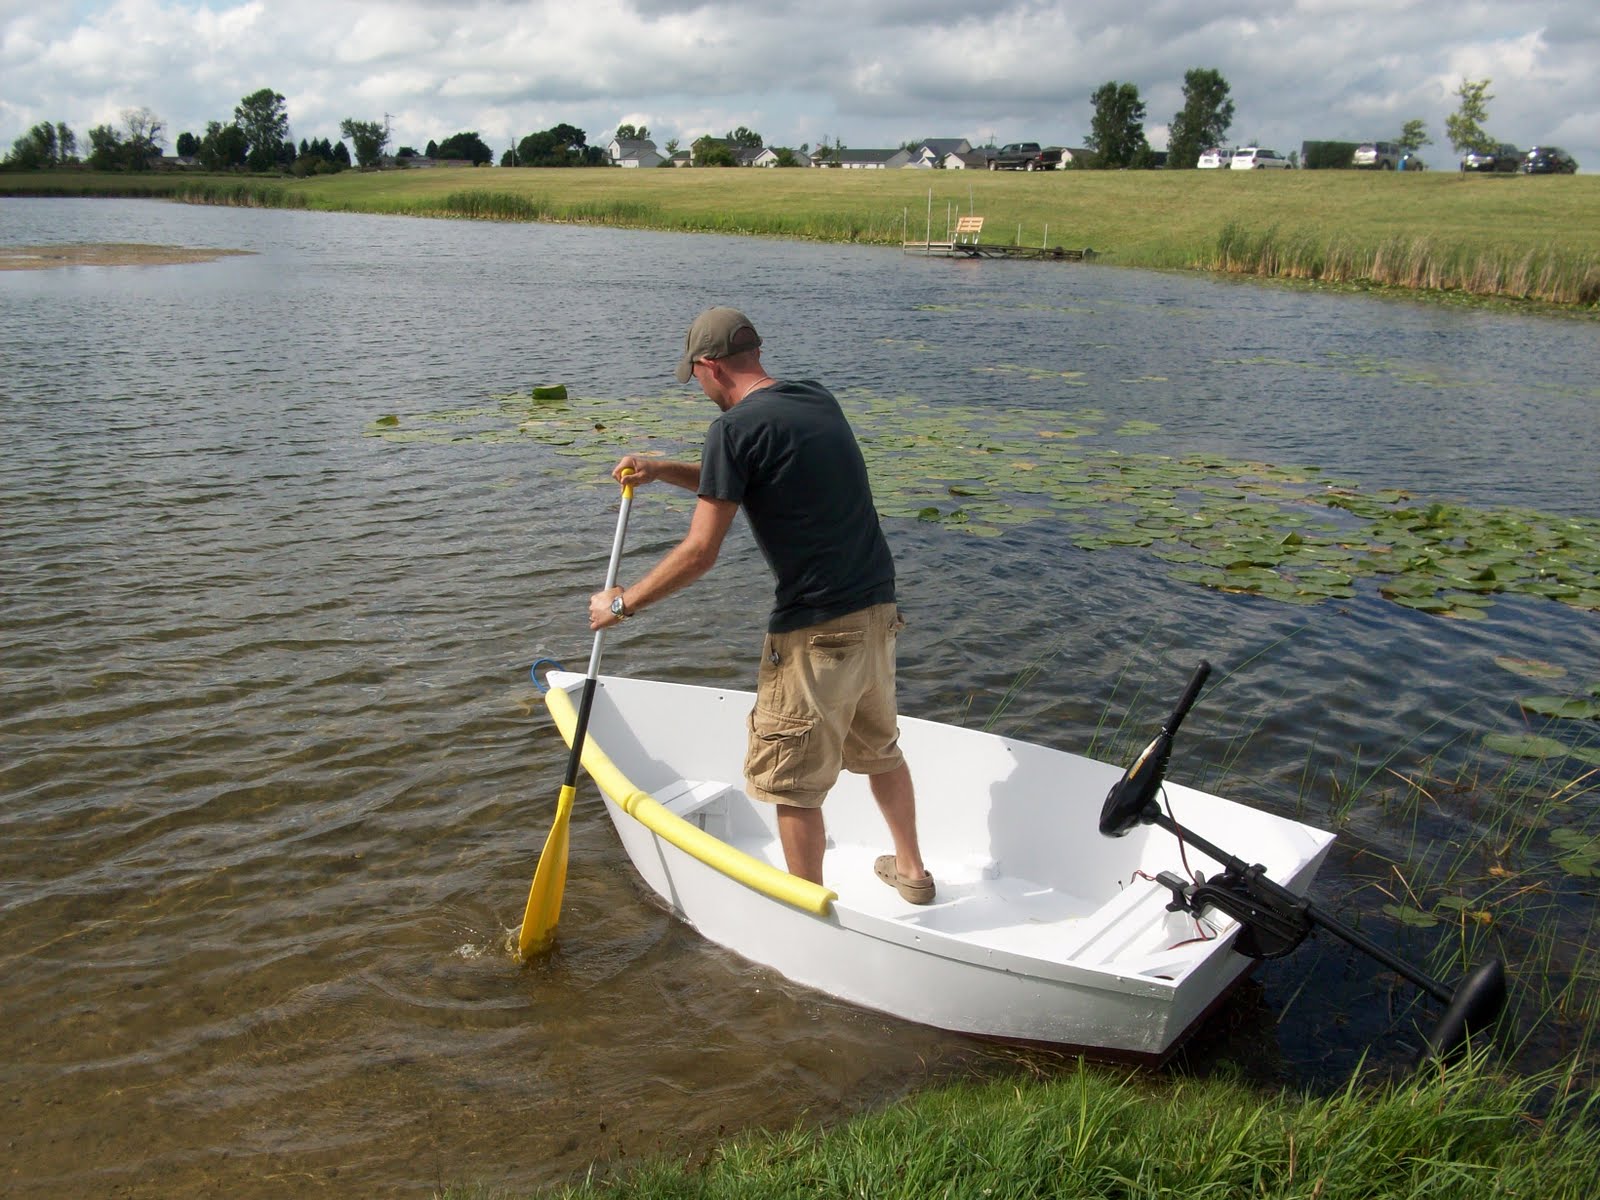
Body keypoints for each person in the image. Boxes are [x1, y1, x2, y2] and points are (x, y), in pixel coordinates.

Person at [587, 306, 934, 904]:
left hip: (816, 630)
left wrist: (623, 605)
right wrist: (660, 468)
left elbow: (700, 551)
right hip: (877, 614)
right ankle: (911, 872)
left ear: (710, 366)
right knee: (879, 750)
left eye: (694, 375)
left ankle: (804, 909)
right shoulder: (813, 398)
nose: (697, 388)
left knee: (792, 781)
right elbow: (746, 476)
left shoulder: (733, 428)